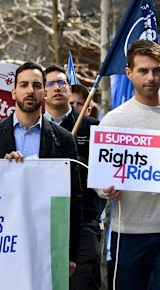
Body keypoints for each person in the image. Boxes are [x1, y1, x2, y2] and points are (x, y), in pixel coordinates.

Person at [0, 62, 83, 277]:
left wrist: (70, 254)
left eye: (37, 85)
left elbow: (74, 199)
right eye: (24, 85)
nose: (30, 91)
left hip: (46, 239)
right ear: (13, 92)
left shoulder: (64, 139)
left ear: (44, 92)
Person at [97, 40, 160, 289]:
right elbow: (101, 177)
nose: (151, 77)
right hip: (129, 235)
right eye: (143, 71)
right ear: (129, 73)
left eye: (156, 70)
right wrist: (105, 189)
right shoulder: (114, 121)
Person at [44, 65, 102, 290]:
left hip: (84, 219)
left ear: (70, 88)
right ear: (43, 93)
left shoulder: (95, 128)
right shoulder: (31, 130)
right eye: (50, 83)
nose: (57, 87)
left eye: (62, 82)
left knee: (84, 281)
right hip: (43, 220)